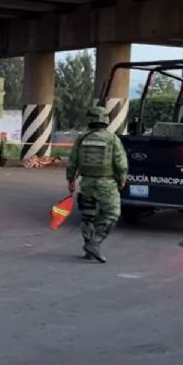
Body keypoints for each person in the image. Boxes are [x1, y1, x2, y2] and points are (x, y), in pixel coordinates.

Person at [66, 106, 129, 263]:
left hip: (86, 183)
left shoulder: (81, 138)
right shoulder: (112, 139)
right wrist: (122, 179)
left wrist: (71, 180)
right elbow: (121, 164)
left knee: (88, 215)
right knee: (112, 213)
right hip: (106, 184)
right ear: (105, 120)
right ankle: (95, 243)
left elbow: (72, 162)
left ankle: (88, 246)